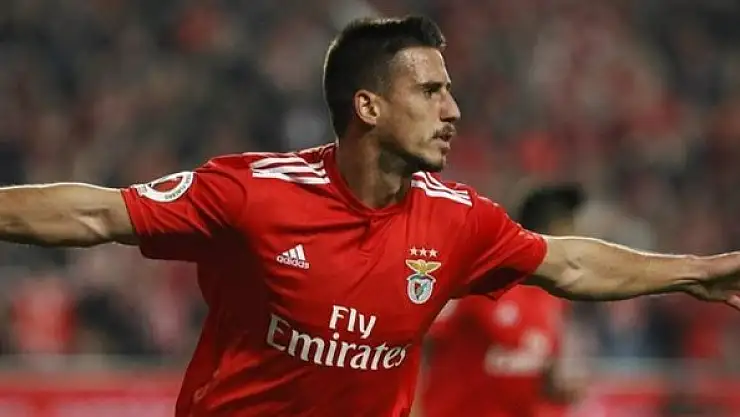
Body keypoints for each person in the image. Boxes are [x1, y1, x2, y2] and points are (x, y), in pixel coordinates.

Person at [0, 15, 739, 417]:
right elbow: (98, 214)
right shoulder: (255, 192)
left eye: (451, 91)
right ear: (369, 106)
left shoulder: (458, 220)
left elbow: (567, 262)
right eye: (430, 92)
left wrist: (695, 274)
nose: (453, 110)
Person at [417, 184, 588, 417]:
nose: (577, 239)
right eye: (567, 227)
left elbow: (534, 369)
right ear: (544, 232)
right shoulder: (482, 281)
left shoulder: (554, 299)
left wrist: (557, 388)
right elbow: (420, 343)